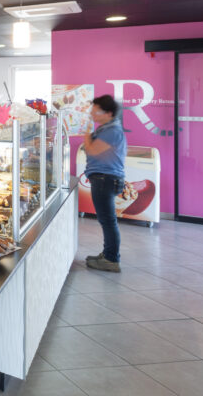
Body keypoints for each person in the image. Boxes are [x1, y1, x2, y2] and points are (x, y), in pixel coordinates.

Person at [82, 95, 127, 273]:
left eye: (96, 111)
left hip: (105, 179)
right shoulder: (107, 128)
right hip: (105, 178)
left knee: (108, 221)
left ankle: (111, 259)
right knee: (107, 220)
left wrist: (86, 133)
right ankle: (108, 253)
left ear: (108, 113)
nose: (92, 115)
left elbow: (92, 150)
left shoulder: (112, 131)